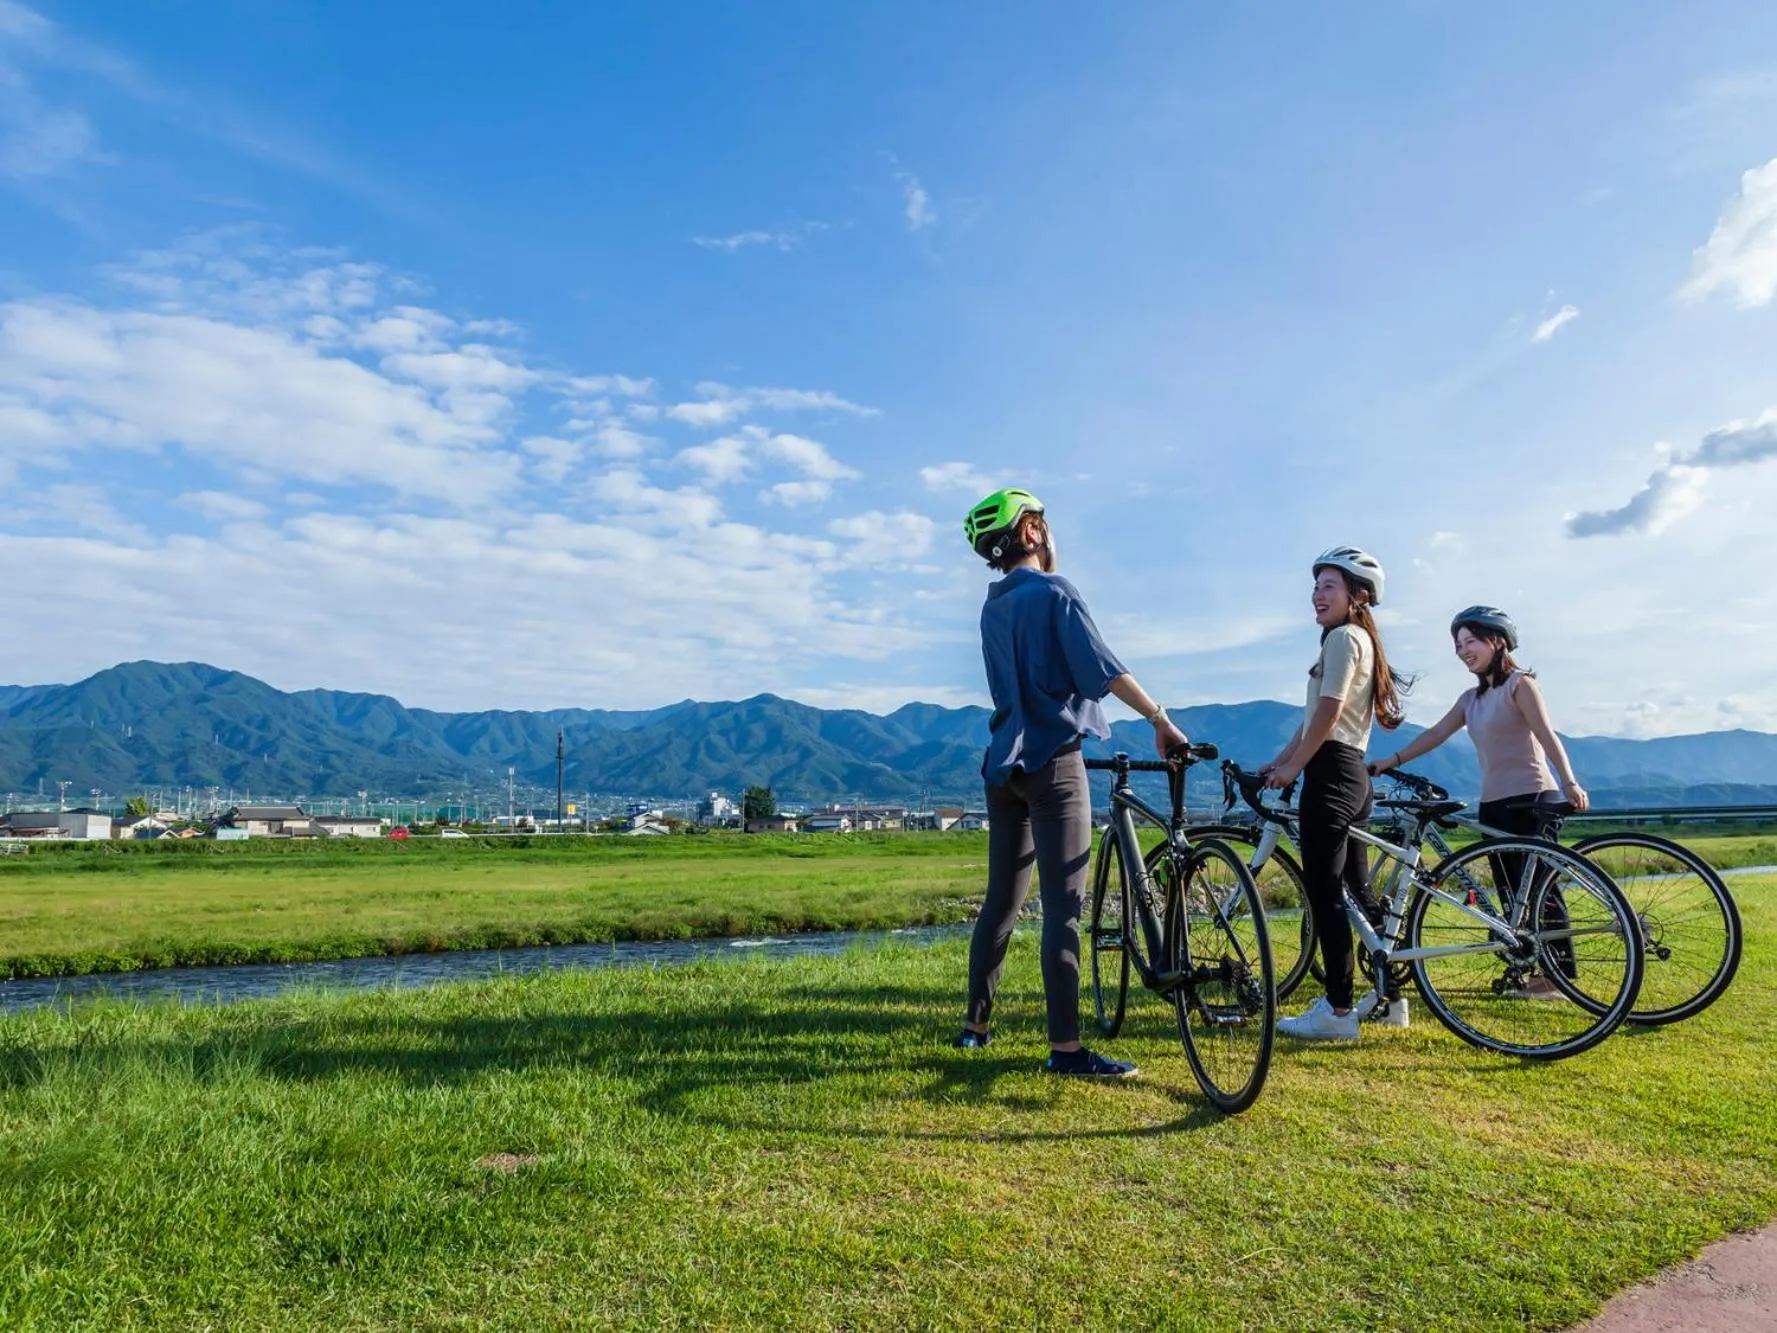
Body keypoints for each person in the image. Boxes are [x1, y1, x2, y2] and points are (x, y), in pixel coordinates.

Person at [954, 488, 1188, 1078]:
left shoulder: (992, 606)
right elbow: (1105, 670)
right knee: (1064, 908)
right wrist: (1160, 719)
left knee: (1000, 904)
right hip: (1055, 764)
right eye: (1044, 524)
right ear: (1032, 533)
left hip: (1001, 766)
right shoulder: (1055, 592)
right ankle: (1066, 1051)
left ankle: (974, 1029)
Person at [1368, 606, 1589, 997]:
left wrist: (1570, 781)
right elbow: (1435, 734)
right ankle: (1537, 970)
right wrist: (1391, 761)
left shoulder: (1520, 685)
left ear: (1497, 641)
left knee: (1539, 890)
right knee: (1510, 895)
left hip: (1534, 797)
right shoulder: (1471, 698)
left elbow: (1547, 735)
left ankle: (1558, 975)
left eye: (1471, 641)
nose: (1463, 650)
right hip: (1494, 803)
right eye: (1457, 644)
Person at [1264, 547, 1411, 1041]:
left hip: (1331, 775)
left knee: (1325, 892)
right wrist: (1282, 761)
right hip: (1351, 775)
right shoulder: (1356, 639)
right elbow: (1317, 719)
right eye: (1316, 586)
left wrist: (1295, 768)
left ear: (1358, 595)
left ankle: (1340, 1009)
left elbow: (1328, 713)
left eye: (1329, 585)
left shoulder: (1344, 638)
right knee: (1356, 891)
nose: (1317, 595)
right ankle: (1391, 997)